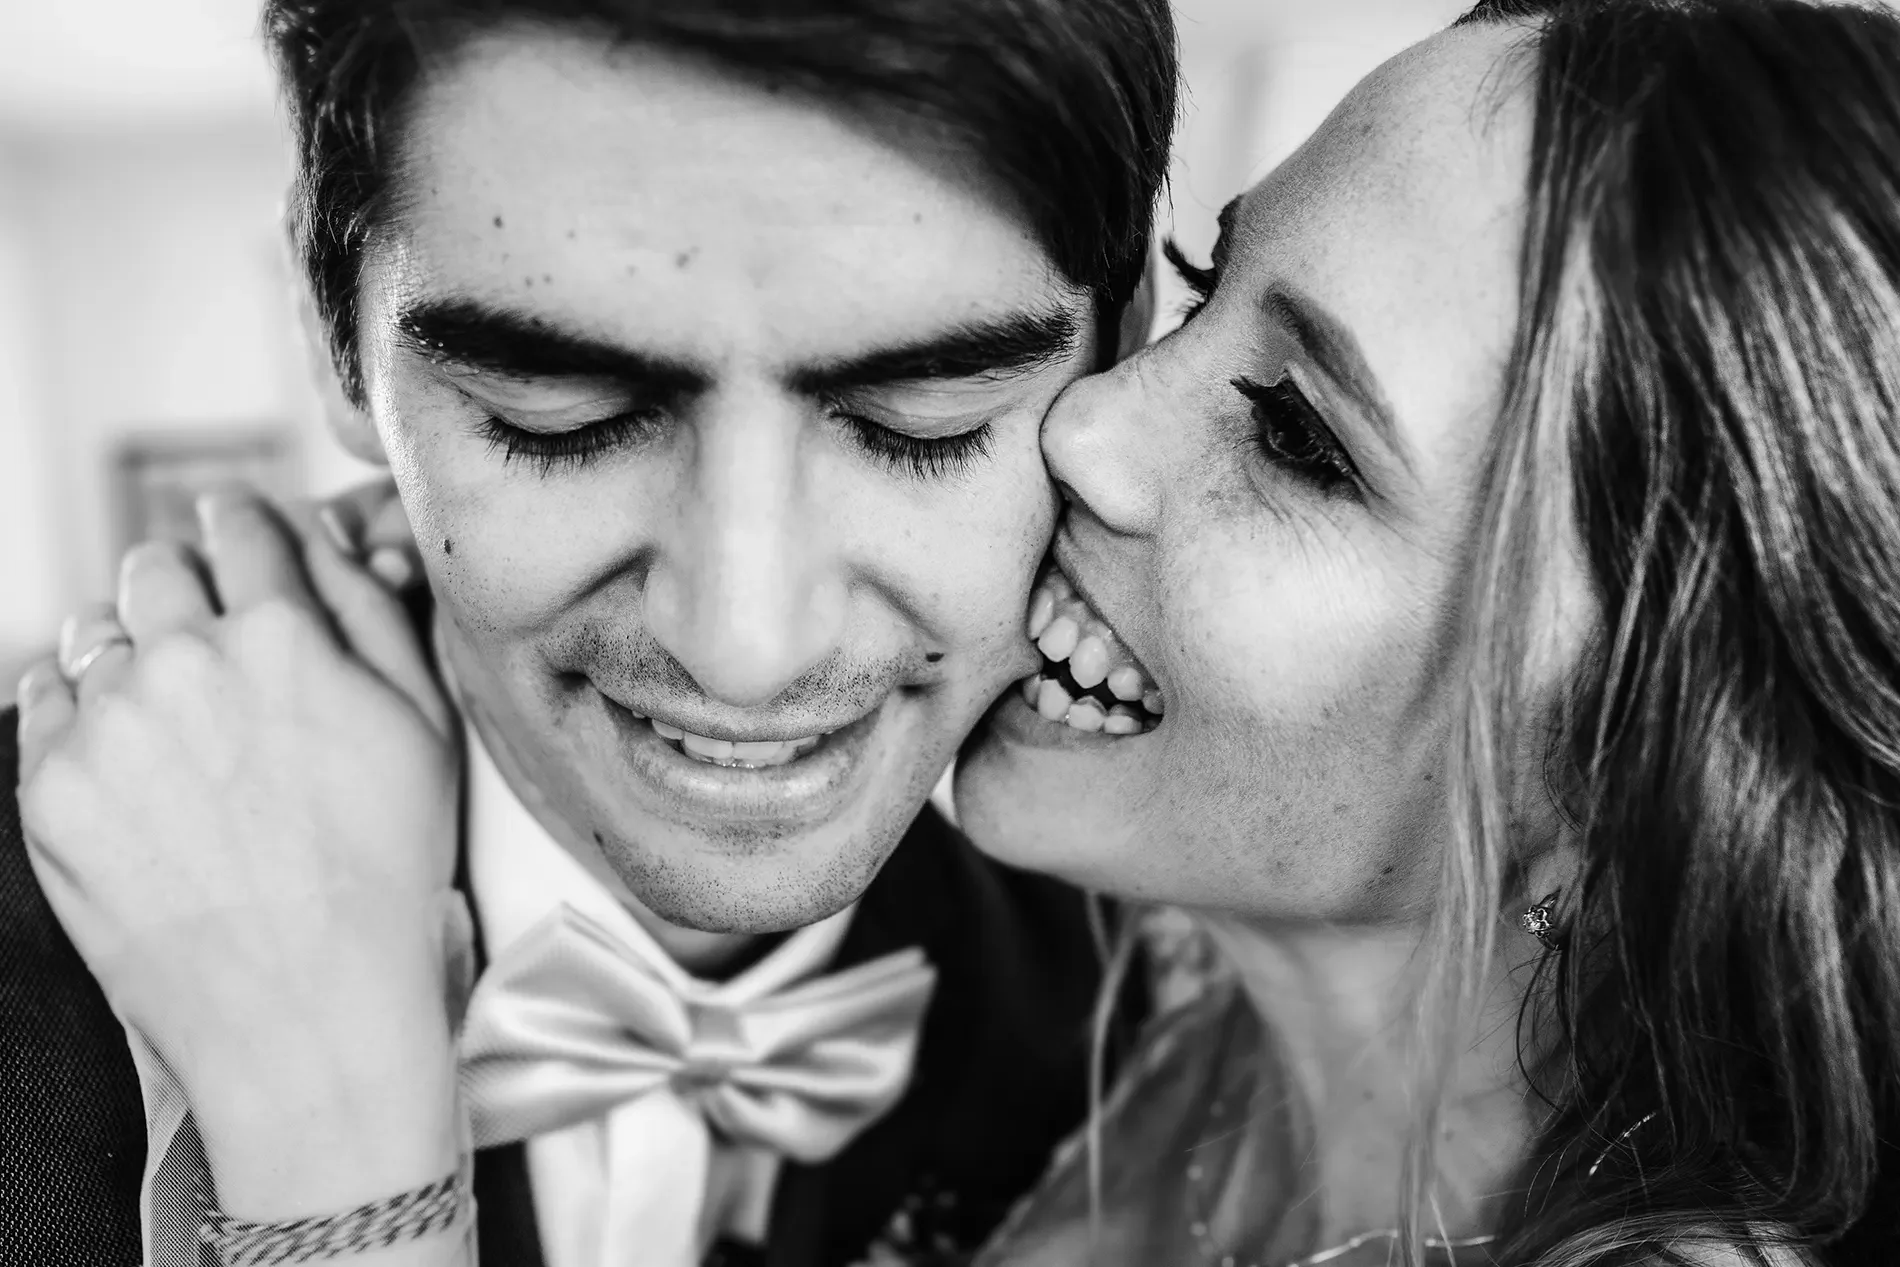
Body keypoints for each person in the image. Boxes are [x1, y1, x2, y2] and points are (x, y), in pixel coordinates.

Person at [0, 2, 1175, 1266]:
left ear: (1123, 353)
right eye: (555, 416)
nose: (745, 648)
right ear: (332, 335)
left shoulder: (1120, 1008)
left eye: (921, 425)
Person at [951, 0, 1900, 1263]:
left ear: (1628, 777)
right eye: (1199, 290)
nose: (1083, 428)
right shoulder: (1117, 995)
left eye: (1296, 438)